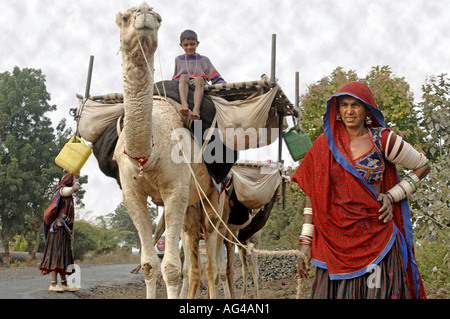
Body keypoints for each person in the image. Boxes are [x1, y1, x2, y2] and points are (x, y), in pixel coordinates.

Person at [292, 81, 430, 299]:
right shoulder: (323, 146)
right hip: (333, 245)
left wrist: (392, 195)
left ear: (367, 109)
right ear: (336, 109)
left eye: (356, 105)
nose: (349, 111)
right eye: (344, 104)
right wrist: (305, 243)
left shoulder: (382, 140)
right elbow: (313, 195)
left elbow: (423, 166)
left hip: (377, 242)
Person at [39, 173, 80, 292]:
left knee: (63, 255)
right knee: (57, 254)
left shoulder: (66, 194)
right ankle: (53, 283)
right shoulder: (62, 190)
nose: (74, 181)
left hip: (63, 229)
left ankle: (63, 283)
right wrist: (75, 181)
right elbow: (75, 189)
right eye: (72, 179)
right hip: (58, 228)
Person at [173, 29, 226, 121]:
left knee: (199, 79)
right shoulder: (178, 60)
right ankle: (184, 105)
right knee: (183, 76)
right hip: (184, 82)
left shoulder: (204, 60)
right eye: (186, 45)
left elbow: (215, 77)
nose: (189, 47)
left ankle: (196, 109)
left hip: (200, 83)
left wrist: (224, 85)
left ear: (197, 43)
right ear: (181, 45)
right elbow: (176, 77)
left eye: (192, 44)